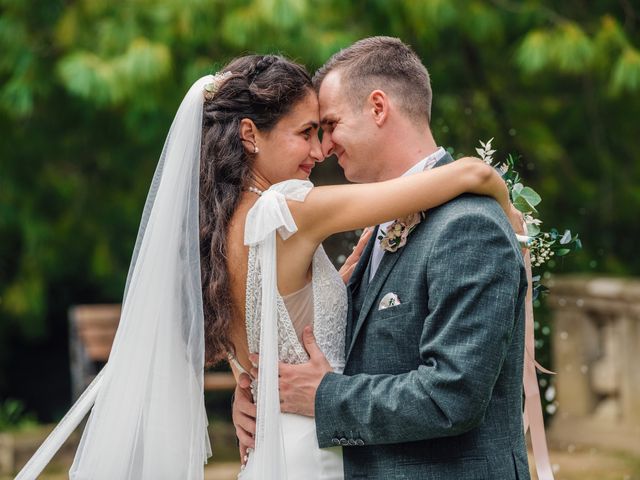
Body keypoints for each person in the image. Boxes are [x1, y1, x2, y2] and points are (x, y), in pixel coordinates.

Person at [15, 52, 517, 480]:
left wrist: (254, 389)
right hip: (313, 450)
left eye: (325, 130)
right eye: (306, 132)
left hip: (274, 450)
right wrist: (509, 210)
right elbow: (470, 171)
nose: (320, 151)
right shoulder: (289, 211)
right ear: (251, 134)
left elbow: (283, 321)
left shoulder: (213, 233)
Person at [233, 37, 534, 480]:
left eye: (331, 124)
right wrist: (263, 395)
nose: (325, 146)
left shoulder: (468, 224)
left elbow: (452, 396)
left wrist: (324, 396)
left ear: (378, 108)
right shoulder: (374, 224)